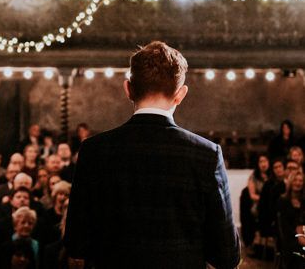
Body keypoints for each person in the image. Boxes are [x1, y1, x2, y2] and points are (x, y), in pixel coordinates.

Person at [64, 41, 240, 268]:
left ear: (128, 89)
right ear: (180, 94)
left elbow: (76, 243)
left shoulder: (94, 151)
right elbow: (226, 256)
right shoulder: (206, 155)